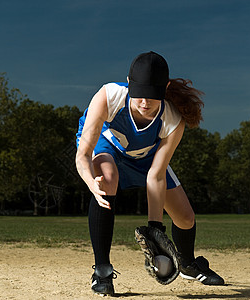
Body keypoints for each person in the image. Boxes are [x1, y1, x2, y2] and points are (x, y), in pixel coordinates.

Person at [75, 51, 225, 296]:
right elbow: (83, 154)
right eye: (139, 95)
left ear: (165, 88)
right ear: (128, 82)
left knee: (185, 218)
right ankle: (101, 270)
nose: (145, 102)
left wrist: (155, 228)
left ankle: (187, 263)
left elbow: (156, 175)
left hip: (145, 157)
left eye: (152, 96)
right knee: (108, 179)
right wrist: (91, 183)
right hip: (106, 146)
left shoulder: (173, 118)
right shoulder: (109, 96)